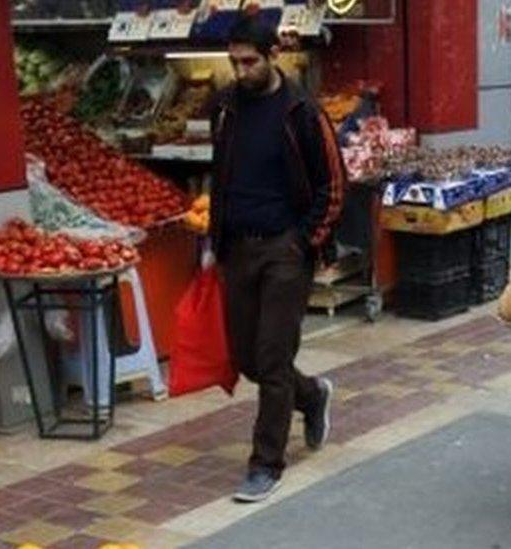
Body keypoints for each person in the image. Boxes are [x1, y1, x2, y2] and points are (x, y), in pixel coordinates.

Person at [207, 16, 346, 503]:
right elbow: (219, 177)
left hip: (285, 250)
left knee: (271, 357)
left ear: (272, 56)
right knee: (247, 358)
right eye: (233, 61)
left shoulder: (301, 111)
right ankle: (313, 396)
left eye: (249, 61)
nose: (240, 71)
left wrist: (304, 241)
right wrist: (214, 241)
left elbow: (334, 184)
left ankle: (265, 463)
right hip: (237, 248)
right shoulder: (224, 108)